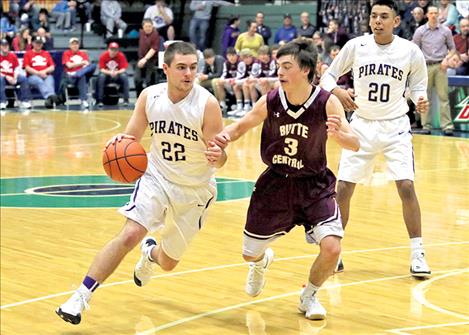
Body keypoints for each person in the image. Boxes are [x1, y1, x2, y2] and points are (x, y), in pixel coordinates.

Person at [56, 41, 226, 325]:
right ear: (166, 69)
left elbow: (220, 160)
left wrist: (218, 155)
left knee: (169, 263)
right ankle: (80, 297)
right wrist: (118, 142)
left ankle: (150, 254)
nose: (188, 74)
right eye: (181, 68)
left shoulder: (207, 105)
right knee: (129, 234)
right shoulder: (150, 96)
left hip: (195, 189)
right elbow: (131, 136)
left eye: (193, 68)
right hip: (156, 177)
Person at [213, 39, 360, 320]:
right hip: (276, 184)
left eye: (286, 66)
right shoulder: (270, 99)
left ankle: (309, 296)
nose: (279, 71)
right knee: (248, 254)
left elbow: (355, 143)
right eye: (278, 65)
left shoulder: (326, 102)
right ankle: (260, 263)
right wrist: (223, 137)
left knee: (332, 247)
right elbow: (241, 126)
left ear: (305, 70)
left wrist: (341, 137)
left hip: (314, 185)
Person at [320, 0, 431, 277]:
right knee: (343, 188)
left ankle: (418, 253)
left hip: (395, 126)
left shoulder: (409, 51)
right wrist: (338, 92)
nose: (377, 21)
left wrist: (420, 99)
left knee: (406, 186)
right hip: (362, 126)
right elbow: (328, 77)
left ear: (395, 21)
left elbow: (418, 85)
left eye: (384, 16)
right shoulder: (356, 46)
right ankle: (336, 251)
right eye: (373, 16)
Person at [413, 5, 456, 135]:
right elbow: (414, 50)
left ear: (439, 15)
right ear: (427, 15)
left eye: (435, 13)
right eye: (431, 13)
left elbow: (453, 49)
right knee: (425, 98)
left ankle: (447, 126)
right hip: (425, 67)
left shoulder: (446, 31)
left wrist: (446, 59)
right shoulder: (420, 31)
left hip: (440, 66)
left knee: (444, 97)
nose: (433, 15)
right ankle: (426, 126)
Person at [61, 37, 96, 109]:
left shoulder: (83, 54)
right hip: (70, 76)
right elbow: (69, 65)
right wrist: (82, 63)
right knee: (82, 76)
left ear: (78, 45)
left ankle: (78, 73)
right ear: (69, 46)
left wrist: (81, 69)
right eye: (73, 44)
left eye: (76, 44)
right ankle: (84, 100)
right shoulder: (66, 53)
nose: (75, 46)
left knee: (93, 65)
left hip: (80, 74)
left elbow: (87, 65)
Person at [23, 36, 57, 108]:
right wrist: (38, 73)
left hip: (45, 74)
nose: (38, 45)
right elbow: (27, 68)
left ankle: (50, 101)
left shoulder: (46, 53)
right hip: (32, 76)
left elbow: (52, 67)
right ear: (32, 43)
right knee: (38, 81)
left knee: (50, 80)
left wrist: (44, 71)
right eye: (36, 43)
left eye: (40, 43)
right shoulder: (28, 54)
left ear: (42, 44)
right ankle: (50, 98)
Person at [0, 38, 32, 110]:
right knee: (0, 79)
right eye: (3, 45)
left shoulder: (12, 55)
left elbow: (17, 68)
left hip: (12, 76)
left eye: (6, 45)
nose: (5, 47)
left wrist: (14, 77)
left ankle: (25, 101)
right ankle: (2, 102)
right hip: (2, 76)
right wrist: (6, 76)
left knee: (23, 78)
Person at [95, 41, 129, 107]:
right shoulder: (103, 56)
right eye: (112, 49)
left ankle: (126, 100)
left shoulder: (121, 56)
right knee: (101, 76)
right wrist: (110, 72)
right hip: (107, 75)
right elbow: (101, 69)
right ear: (108, 49)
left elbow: (123, 69)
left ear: (117, 50)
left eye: (115, 50)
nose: (113, 52)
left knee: (124, 76)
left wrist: (116, 72)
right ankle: (100, 100)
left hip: (117, 75)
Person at [135, 18, 160, 98]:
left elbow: (153, 49)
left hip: (151, 60)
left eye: (150, 26)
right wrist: (142, 60)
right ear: (143, 27)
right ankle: (139, 98)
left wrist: (145, 59)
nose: (148, 28)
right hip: (141, 59)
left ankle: (150, 98)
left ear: (153, 26)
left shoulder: (155, 35)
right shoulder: (141, 33)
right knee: (137, 79)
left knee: (149, 80)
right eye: (146, 26)